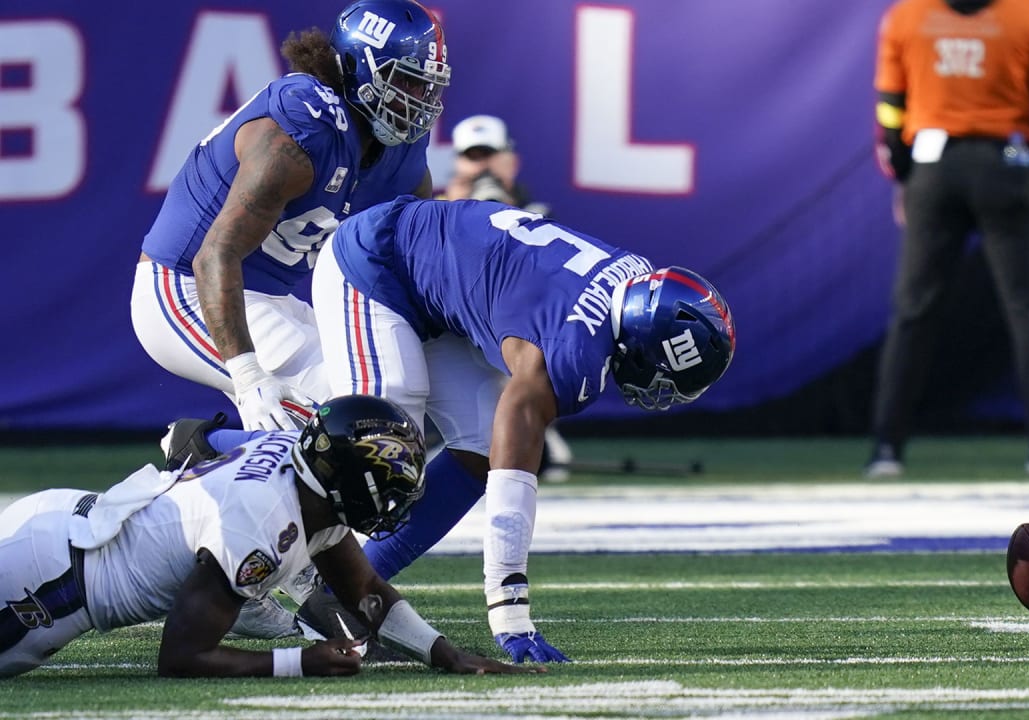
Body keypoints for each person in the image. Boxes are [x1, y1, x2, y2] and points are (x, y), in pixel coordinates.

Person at [295, 195, 736, 662]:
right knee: (381, 444)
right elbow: (516, 451)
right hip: (376, 264)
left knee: (482, 442)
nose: (661, 387)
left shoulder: (633, 281)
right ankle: (275, 569)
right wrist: (509, 606)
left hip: (429, 283)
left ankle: (336, 592)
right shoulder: (575, 349)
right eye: (667, 374)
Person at [0, 395, 538, 679]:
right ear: (348, 481)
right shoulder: (262, 525)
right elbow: (181, 657)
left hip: (65, 520)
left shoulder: (308, 482)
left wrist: (441, 653)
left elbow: (363, 589)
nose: (394, 503)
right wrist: (299, 663)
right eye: (388, 488)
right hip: (50, 582)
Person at [130, 0, 451, 432]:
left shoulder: (401, 153)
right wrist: (248, 377)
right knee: (339, 422)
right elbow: (216, 254)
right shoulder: (302, 130)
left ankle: (227, 461)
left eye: (426, 87)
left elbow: (412, 260)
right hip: (185, 288)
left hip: (271, 299)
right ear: (359, 68)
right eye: (406, 83)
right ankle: (199, 447)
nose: (419, 101)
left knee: (374, 395)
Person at [865, 0, 1029, 480]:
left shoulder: (908, 15)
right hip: (1004, 164)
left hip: (933, 167)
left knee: (913, 311)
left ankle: (886, 449)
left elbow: (890, 106)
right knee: (1028, 310)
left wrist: (906, 177)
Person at [442, 114, 571, 481]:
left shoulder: (540, 218)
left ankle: (532, 419)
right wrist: (456, 213)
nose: (482, 165)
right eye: (472, 156)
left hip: (511, 341)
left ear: (510, 160)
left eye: (490, 154)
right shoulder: (433, 214)